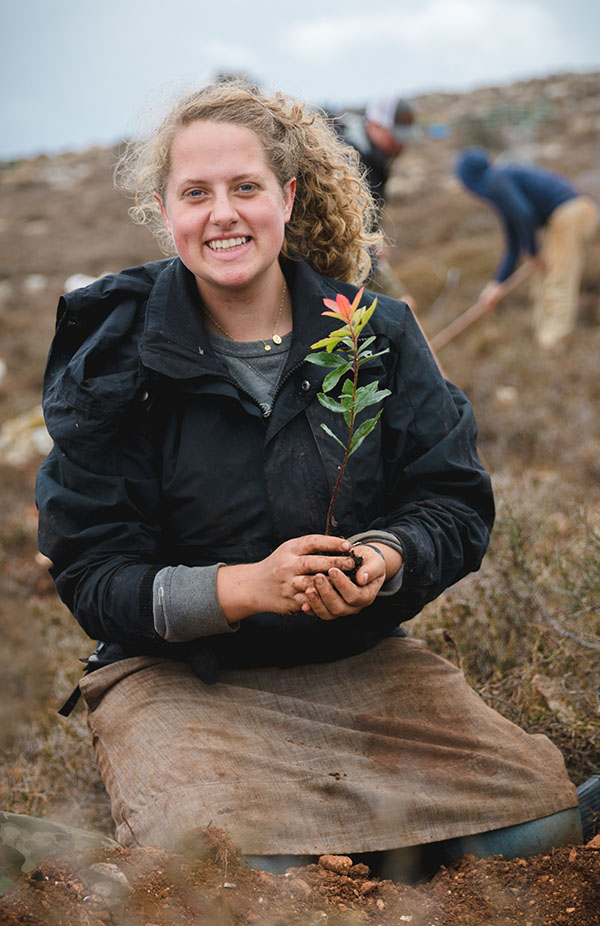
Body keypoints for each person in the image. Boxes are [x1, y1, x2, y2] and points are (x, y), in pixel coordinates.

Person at [36, 80, 584, 881]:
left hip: (357, 661)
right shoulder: (114, 357)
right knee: (233, 867)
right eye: (197, 193)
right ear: (165, 210)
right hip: (180, 679)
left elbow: (453, 499)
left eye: (246, 188)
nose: (223, 214)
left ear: (287, 199)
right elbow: (92, 571)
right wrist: (245, 588)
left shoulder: (377, 334)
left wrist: (385, 557)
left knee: (542, 821)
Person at [455, 147, 599, 348]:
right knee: (542, 282)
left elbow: (524, 214)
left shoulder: (496, 179)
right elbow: (513, 243)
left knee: (559, 281)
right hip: (565, 217)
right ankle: (543, 340)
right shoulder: (500, 184)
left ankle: (554, 345)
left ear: (470, 179)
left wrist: (532, 252)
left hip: (570, 214)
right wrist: (497, 284)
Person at [330, 94, 419, 302]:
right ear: (375, 126)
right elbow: (347, 235)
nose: (401, 144)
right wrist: (393, 294)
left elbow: (369, 216)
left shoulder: (377, 156)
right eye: (394, 135)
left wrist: (375, 239)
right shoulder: (346, 160)